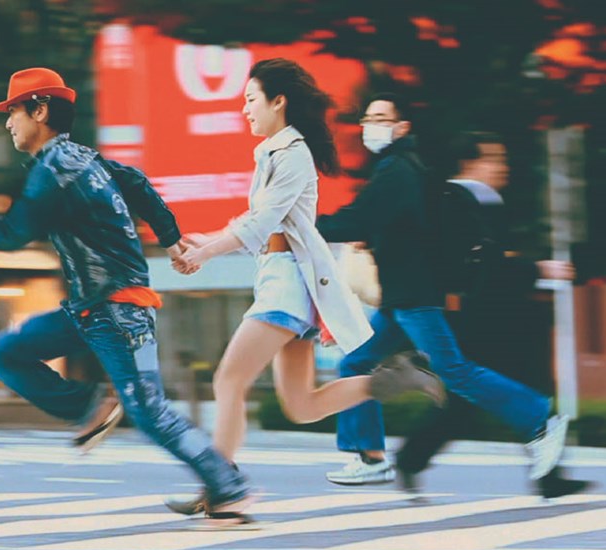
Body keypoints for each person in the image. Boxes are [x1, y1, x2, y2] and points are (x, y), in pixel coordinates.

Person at [0, 67, 253, 522]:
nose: (8, 122)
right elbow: (137, 183)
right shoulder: (82, 158)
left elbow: (10, 235)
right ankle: (92, 407)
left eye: (14, 111)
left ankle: (227, 486)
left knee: (150, 412)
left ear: (40, 111)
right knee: (3, 353)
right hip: (89, 310)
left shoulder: (54, 170)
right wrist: (170, 238)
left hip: (117, 311)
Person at [167, 61, 445, 515]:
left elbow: (262, 223)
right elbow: (260, 222)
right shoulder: (275, 152)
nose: (245, 109)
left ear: (278, 102)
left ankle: (222, 487)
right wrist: (208, 240)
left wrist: (207, 252)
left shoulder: (292, 153)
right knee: (301, 406)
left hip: (287, 286)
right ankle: (395, 379)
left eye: (251, 99)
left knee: (228, 379)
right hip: (283, 280)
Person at [315, 94, 578, 491]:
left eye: (381, 117)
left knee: (454, 371)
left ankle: (539, 418)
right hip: (400, 297)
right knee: (355, 363)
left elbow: (360, 219)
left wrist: (306, 227)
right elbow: (389, 223)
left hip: (415, 296)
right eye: (368, 118)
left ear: (401, 127)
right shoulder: (397, 170)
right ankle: (369, 457)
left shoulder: (398, 169)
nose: (371, 125)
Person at [394, 132, 592, 497]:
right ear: (469, 163)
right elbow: (478, 266)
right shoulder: (458, 203)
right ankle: (410, 458)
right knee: (478, 400)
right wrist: (537, 270)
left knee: (475, 401)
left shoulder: (483, 202)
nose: (503, 166)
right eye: (494, 158)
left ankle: (548, 476)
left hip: (498, 317)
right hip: (479, 320)